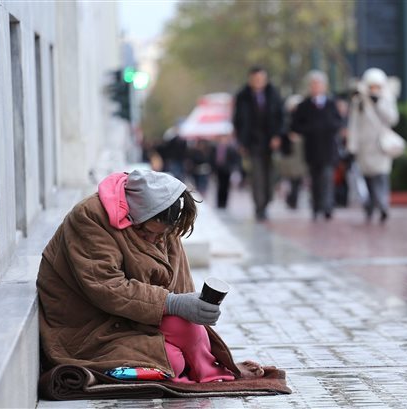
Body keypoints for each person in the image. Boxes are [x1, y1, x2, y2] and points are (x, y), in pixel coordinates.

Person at [36, 169, 264, 383]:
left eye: (162, 234)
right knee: (172, 361)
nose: (156, 239)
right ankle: (206, 369)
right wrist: (171, 303)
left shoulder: (164, 224)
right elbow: (106, 286)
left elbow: (179, 285)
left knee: (184, 332)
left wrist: (195, 309)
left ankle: (211, 366)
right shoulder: (89, 217)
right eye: (148, 233)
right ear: (136, 215)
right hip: (88, 325)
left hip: (131, 318)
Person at [347, 68, 400, 223]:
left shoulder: (387, 99)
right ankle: (370, 205)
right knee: (368, 178)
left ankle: (383, 205)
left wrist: (379, 104)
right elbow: (354, 125)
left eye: (377, 86)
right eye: (372, 86)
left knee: (382, 176)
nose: (374, 90)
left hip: (381, 145)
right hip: (365, 146)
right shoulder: (359, 102)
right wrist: (352, 146)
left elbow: (393, 119)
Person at [233, 66, 284, 221]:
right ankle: (259, 207)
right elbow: (237, 121)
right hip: (252, 143)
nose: (258, 82)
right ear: (250, 79)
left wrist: (277, 136)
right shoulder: (242, 96)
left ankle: (267, 201)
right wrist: (241, 142)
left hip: (270, 142)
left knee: (270, 175)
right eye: (255, 79)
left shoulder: (273, 94)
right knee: (256, 176)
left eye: (261, 79)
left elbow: (281, 116)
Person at [292, 70, 343, 220]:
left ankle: (327, 206)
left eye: (319, 84)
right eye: (313, 84)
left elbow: (338, 122)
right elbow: (296, 126)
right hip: (311, 149)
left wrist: (327, 126)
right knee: (314, 180)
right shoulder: (304, 106)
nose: (316, 87)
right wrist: (311, 129)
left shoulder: (331, 104)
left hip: (328, 148)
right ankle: (316, 206)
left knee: (327, 177)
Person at [278, 94, 306, 210]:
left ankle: (293, 198)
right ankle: (291, 197)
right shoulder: (285, 118)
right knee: (291, 177)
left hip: (300, 151)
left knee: (297, 177)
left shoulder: (303, 118)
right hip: (289, 151)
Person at [210, 134, 241, 209]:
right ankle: (219, 203)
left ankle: (224, 203)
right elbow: (212, 159)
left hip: (227, 171)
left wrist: (233, 168)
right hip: (219, 170)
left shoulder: (230, 149)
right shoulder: (216, 148)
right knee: (220, 186)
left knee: (225, 187)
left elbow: (235, 160)